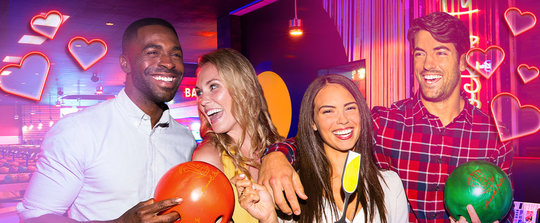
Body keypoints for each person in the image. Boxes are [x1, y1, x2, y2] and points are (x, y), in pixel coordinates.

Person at [259, 11, 514, 222]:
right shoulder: (385, 122)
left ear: (462, 61)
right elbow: (328, 132)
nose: (427, 64)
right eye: (419, 53)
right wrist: (276, 155)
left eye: (440, 52)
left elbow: (504, 208)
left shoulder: (495, 135)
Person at [17, 18, 197, 222]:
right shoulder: (77, 131)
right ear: (125, 63)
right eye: (153, 52)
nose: (169, 62)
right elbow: (34, 217)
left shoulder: (185, 140)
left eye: (176, 54)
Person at [235, 74, 408, 223]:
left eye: (350, 108)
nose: (342, 119)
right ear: (312, 122)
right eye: (328, 111)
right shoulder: (294, 187)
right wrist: (268, 219)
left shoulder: (390, 184)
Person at [191, 48, 287, 222]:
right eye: (199, 92)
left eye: (213, 87)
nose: (202, 101)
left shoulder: (279, 150)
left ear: (242, 88)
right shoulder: (209, 158)